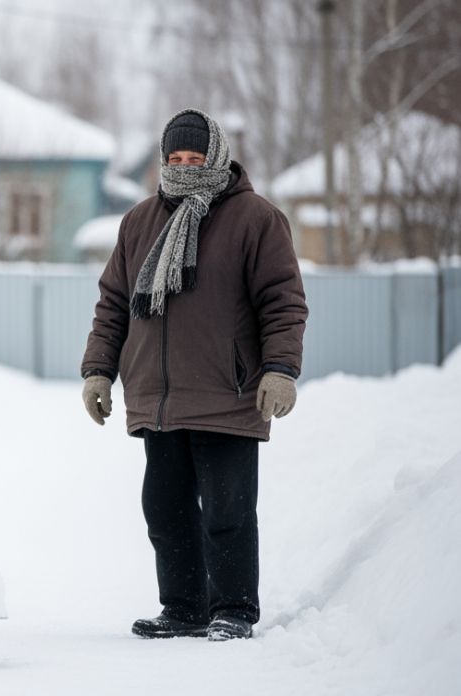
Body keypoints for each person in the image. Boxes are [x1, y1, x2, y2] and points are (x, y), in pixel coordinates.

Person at [80, 109, 307, 642]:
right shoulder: (139, 221)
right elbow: (113, 304)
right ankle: (184, 608)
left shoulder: (255, 218)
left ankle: (234, 609)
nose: (184, 166)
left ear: (217, 157)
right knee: (165, 511)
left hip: (226, 393)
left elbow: (282, 302)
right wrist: (98, 371)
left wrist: (280, 369)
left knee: (227, 511)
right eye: (175, 157)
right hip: (156, 396)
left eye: (195, 157)